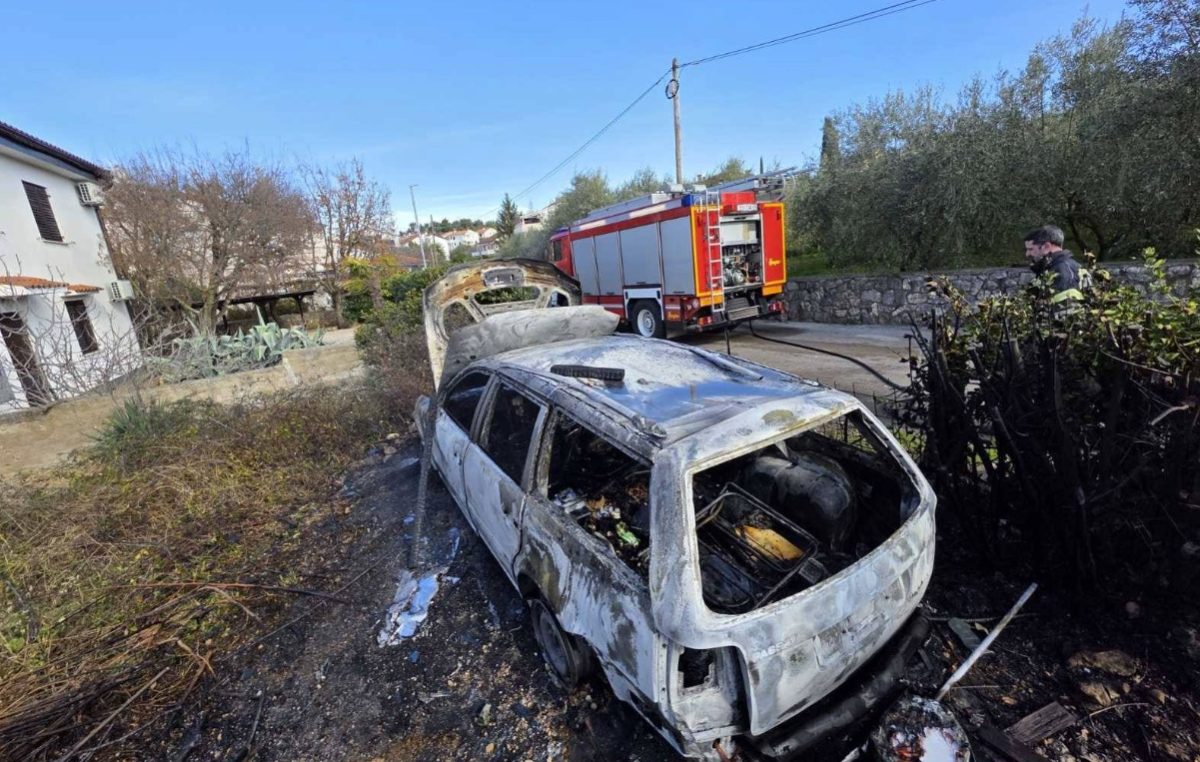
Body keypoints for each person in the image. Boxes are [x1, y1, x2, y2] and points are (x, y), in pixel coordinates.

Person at [1023, 225, 1086, 304]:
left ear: (1046, 246)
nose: (1027, 254)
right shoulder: (1055, 268)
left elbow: (1065, 310)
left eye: (1030, 249)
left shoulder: (1062, 270)